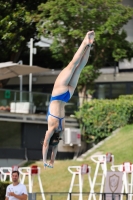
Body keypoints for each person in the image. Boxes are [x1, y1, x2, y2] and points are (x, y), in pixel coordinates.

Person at [42, 30, 95, 168]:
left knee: (79, 68)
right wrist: (44, 161)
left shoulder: (60, 128)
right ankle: (85, 41)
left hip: (67, 96)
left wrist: (52, 161)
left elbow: (54, 145)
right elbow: (47, 145)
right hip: (58, 93)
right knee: (72, 64)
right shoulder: (50, 129)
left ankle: (89, 46)